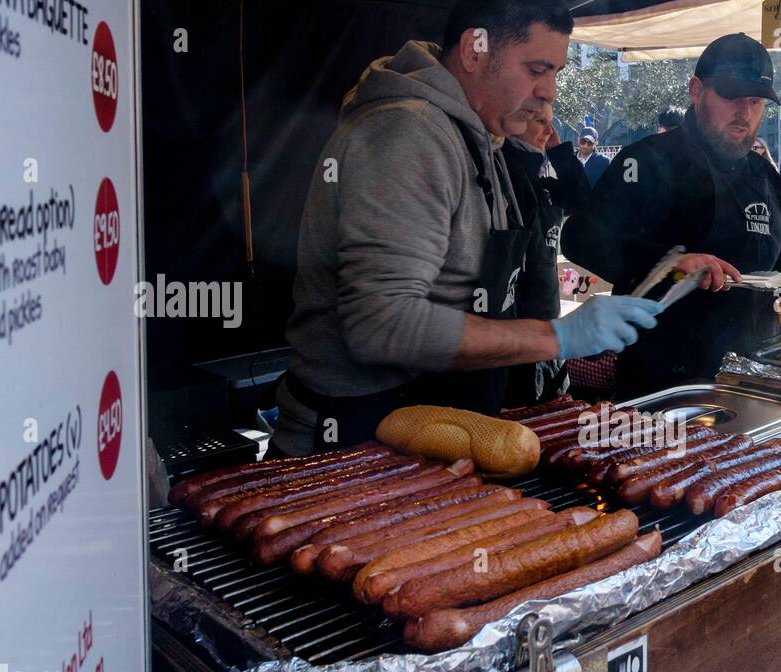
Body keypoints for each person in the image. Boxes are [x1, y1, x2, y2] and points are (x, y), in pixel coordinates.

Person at [271, 0, 661, 456]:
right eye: (537, 69)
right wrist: (557, 337)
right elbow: (383, 326)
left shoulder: (482, 138)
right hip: (354, 441)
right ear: (474, 51)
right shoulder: (405, 133)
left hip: (442, 426)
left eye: (555, 72)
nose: (550, 92)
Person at [560, 33, 781, 399]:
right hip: (662, 379)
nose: (745, 113)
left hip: (755, 374)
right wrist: (671, 263)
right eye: (731, 97)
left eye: (755, 101)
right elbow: (580, 238)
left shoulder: (764, 176)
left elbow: (768, 257)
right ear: (697, 90)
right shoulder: (647, 161)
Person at [501, 102, 592, 403]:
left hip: (547, 319)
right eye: (540, 121)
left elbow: (582, 200)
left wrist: (558, 151)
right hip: (515, 328)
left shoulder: (541, 179)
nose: (548, 130)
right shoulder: (503, 174)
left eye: (550, 122)